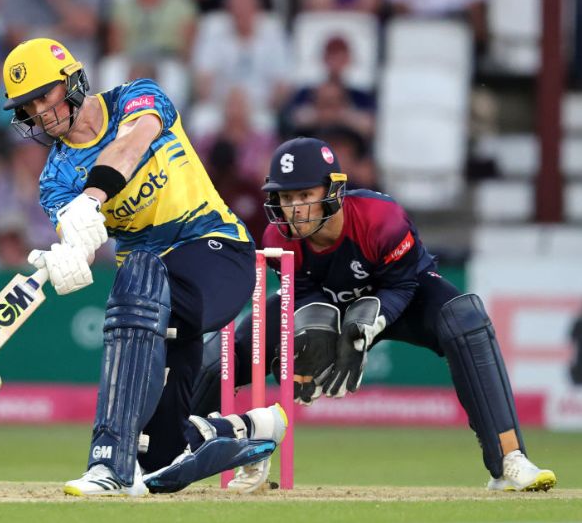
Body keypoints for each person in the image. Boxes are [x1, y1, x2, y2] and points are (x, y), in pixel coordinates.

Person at [0, 38, 287, 497]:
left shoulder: (137, 97)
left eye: (44, 96)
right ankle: (251, 429)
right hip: (153, 299)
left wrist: (92, 199)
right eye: (27, 107)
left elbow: (132, 144)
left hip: (215, 250)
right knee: (161, 470)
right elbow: (78, 236)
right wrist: (69, 254)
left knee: (138, 273)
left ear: (72, 82)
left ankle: (108, 461)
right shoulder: (55, 180)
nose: (39, 113)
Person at [193, 137, 557, 493]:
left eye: (305, 195)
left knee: (466, 319)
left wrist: (366, 326)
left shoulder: (382, 219)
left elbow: (402, 285)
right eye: (287, 198)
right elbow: (301, 293)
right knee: (233, 346)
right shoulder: (277, 236)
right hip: (331, 303)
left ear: (332, 192)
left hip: (402, 297)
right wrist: (314, 331)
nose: (296, 209)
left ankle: (510, 459)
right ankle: (170, 446)